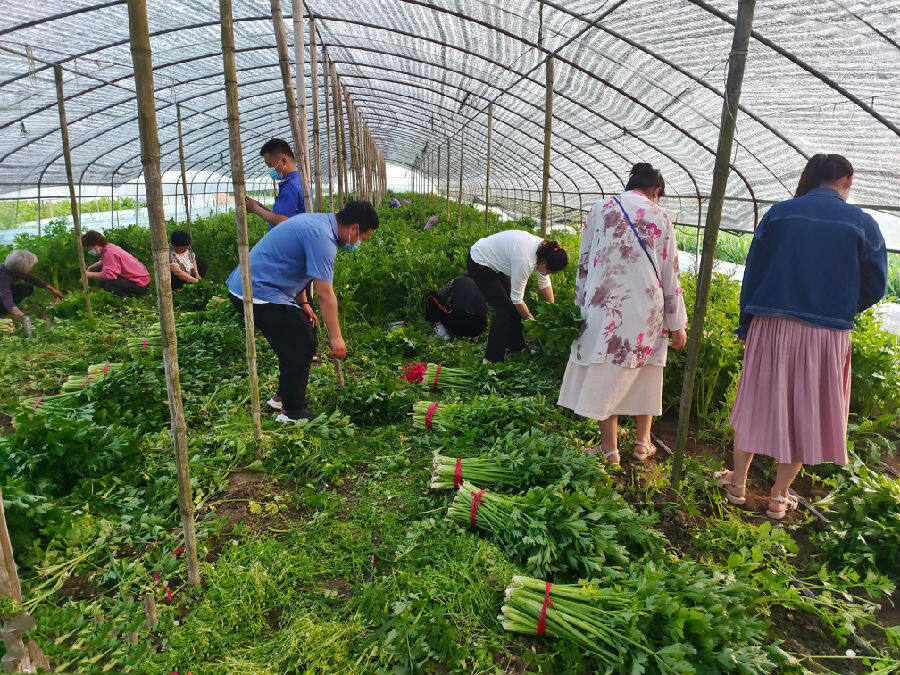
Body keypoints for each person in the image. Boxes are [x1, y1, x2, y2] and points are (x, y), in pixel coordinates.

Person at [717, 154, 887, 519]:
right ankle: (779, 496)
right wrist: (840, 306)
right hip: (826, 335)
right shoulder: (863, 223)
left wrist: (746, 324)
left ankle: (738, 484)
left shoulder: (779, 214)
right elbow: (876, 285)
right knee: (804, 410)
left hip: (772, 325)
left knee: (756, 403)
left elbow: (754, 274)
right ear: (847, 181)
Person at [557, 163, 688, 464]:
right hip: (646, 307)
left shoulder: (599, 209)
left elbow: (584, 261)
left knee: (607, 369)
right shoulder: (661, 216)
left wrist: (580, 305)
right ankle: (643, 444)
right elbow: (670, 273)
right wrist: (677, 323)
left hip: (604, 305)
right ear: (656, 191)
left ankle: (610, 450)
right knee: (647, 369)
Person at [226, 200, 379, 423]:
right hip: (254, 292)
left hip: (256, 286)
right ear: (355, 228)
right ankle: (291, 410)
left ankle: (283, 397)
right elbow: (325, 294)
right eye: (361, 239)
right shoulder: (323, 239)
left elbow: (298, 267)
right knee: (301, 341)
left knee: (302, 334)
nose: (358, 243)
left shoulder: (319, 223)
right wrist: (336, 338)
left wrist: (304, 303)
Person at [466, 229, 568, 363]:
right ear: (543, 263)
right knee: (504, 309)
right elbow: (517, 300)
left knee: (513, 308)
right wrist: (533, 323)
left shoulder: (544, 251)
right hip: (479, 261)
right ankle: (490, 360)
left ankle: (516, 347)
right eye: (550, 271)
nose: (548, 274)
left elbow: (544, 281)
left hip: (495, 261)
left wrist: (552, 310)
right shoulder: (525, 260)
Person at [245, 138, 305, 229]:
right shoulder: (298, 180)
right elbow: (284, 215)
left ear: (284, 161)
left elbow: (283, 221)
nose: (270, 168)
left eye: (270, 164)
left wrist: (255, 209)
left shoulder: (290, 186)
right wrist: (260, 206)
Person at [82, 231, 150, 298]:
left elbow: (108, 275)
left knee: (105, 282)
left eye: (89, 248)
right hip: (143, 280)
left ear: (97, 244)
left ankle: (126, 299)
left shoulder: (110, 253)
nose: (89, 251)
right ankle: (127, 296)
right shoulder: (109, 247)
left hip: (139, 285)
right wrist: (90, 267)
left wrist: (88, 274)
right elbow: (103, 260)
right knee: (106, 278)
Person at [0, 250, 65, 320]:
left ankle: (6, 309)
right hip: (2, 291)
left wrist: (52, 289)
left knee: (26, 288)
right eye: (31, 267)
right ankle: (2, 312)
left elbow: (31, 279)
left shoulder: (13, 270)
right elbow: (5, 295)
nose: (31, 269)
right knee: (7, 299)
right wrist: (15, 310)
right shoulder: (2, 277)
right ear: (20, 269)